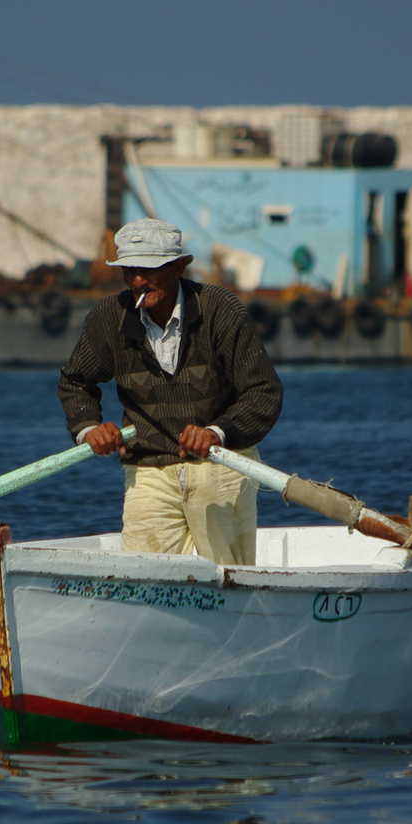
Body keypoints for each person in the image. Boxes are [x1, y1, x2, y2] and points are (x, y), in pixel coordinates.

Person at [58, 218, 283, 565]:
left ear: (179, 267)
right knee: (144, 577)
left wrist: (216, 432)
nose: (137, 280)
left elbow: (263, 392)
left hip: (220, 464)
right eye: (129, 269)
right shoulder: (109, 318)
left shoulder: (220, 311)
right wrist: (89, 428)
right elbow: (75, 383)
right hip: (149, 468)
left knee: (228, 574)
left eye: (148, 269)